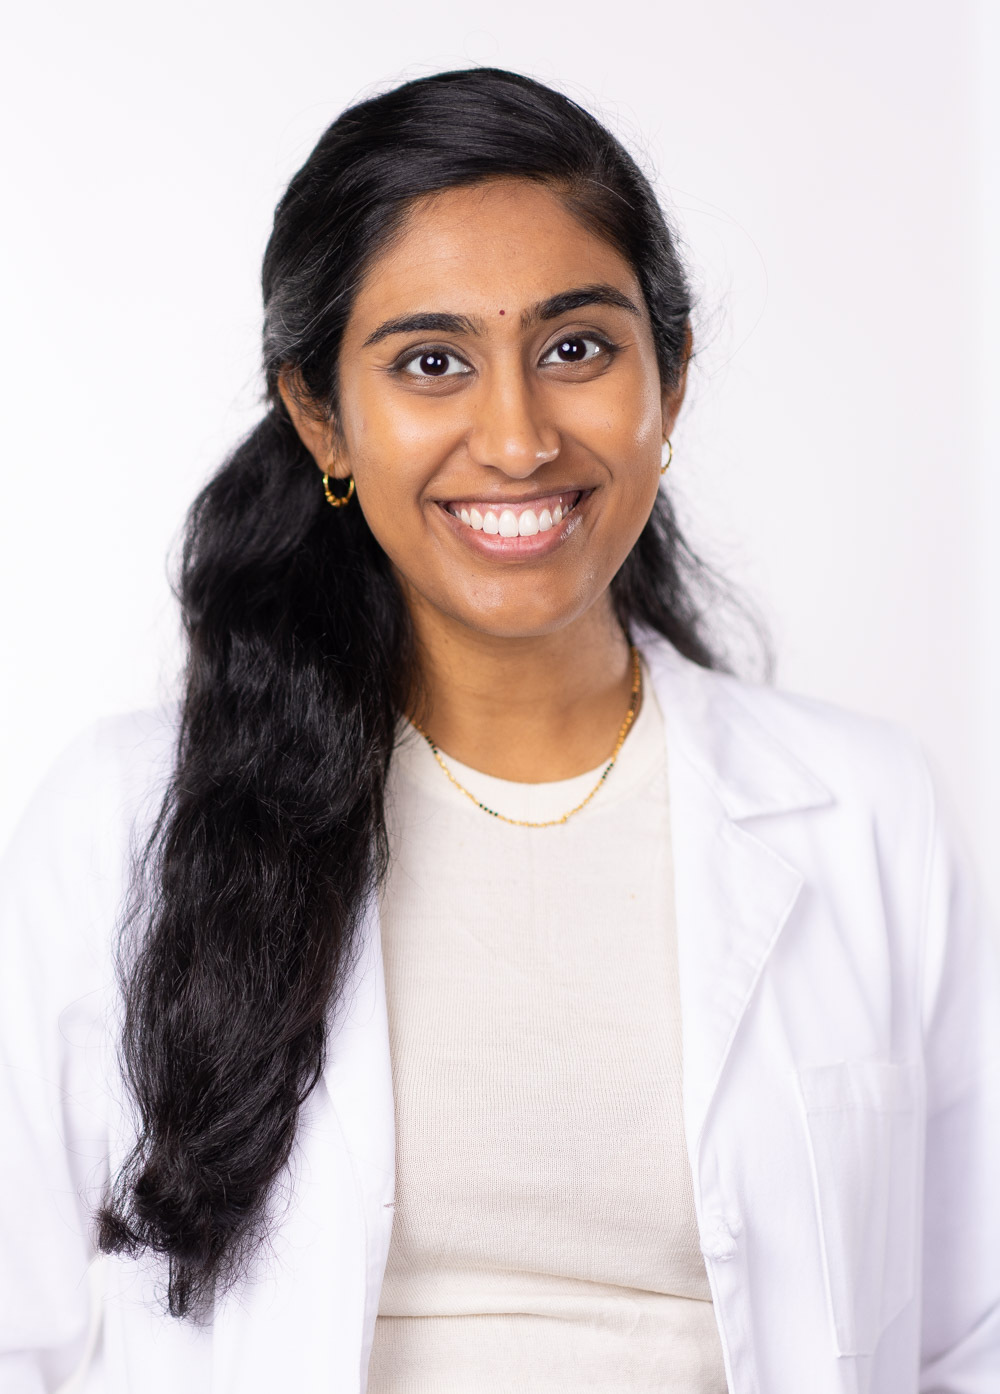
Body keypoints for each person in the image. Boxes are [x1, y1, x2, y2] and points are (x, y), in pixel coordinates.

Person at [1, 66, 998, 1394]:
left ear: (673, 378)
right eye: (431, 362)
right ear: (320, 417)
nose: (518, 435)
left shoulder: (869, 812)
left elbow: (965, 1340)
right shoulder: (121, 825)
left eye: (577, 348)